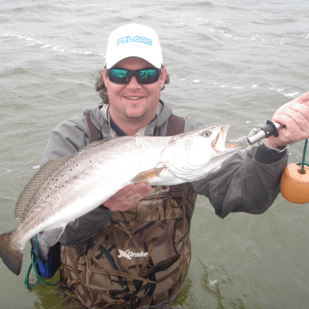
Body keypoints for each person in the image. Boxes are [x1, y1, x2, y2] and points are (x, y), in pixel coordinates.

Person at [39, 23, 309, 309]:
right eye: (121, 74)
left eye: (146, 74)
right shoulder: (72, 137)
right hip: (83, 300)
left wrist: (273, 146)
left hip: (164, 299)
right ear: (105, 78)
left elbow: (246, 197)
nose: (133, 85)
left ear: (162, 76)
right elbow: (54, 232)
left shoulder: (186, 135)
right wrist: (105, 207)